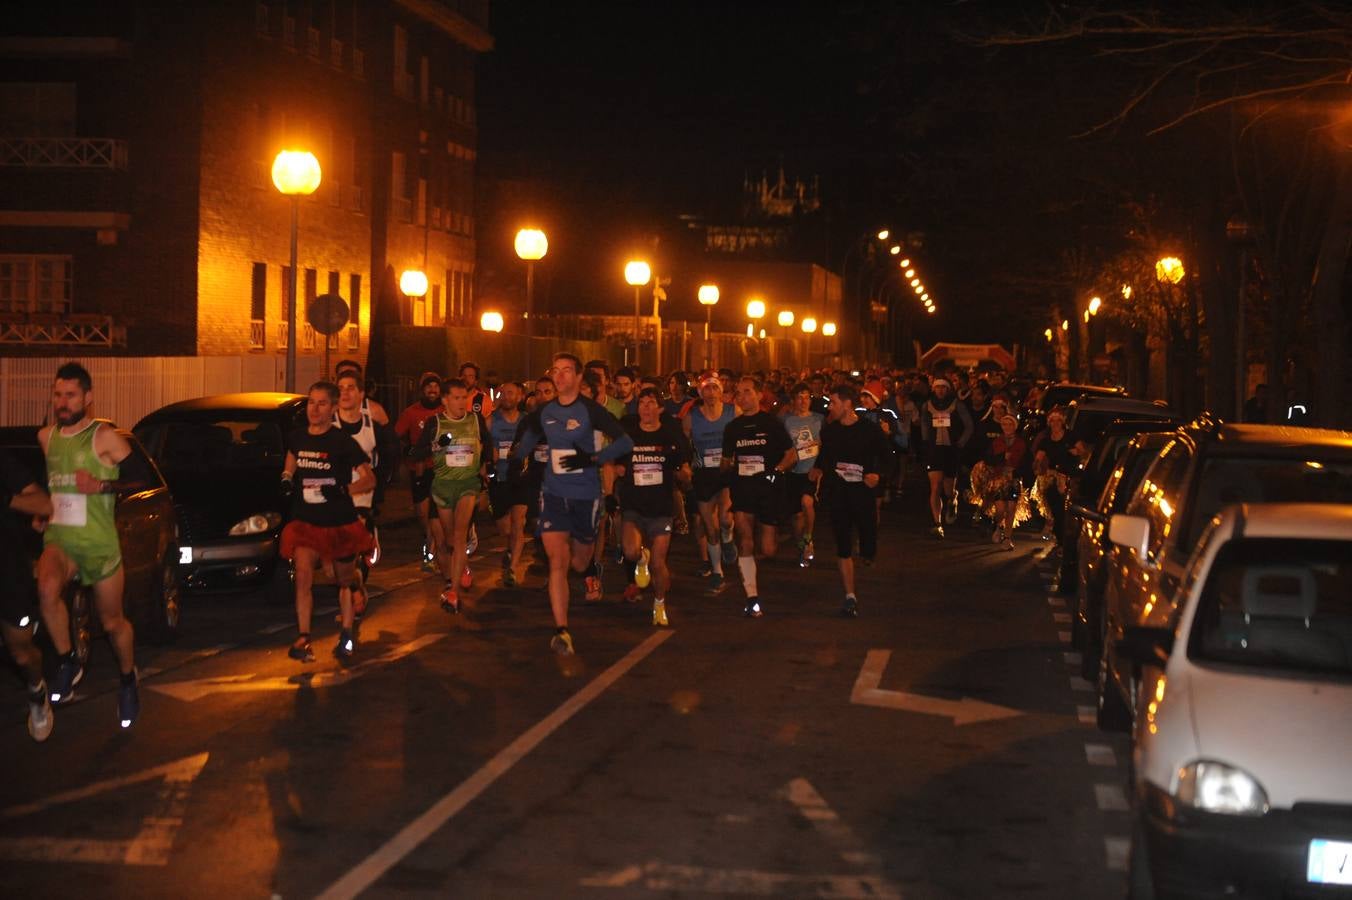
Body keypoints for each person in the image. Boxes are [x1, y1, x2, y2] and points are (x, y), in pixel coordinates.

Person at [38, 362, 151, 727]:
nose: (62, 402)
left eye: (71, 395)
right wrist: (42, 510)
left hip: (99, 545)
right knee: (46, 588)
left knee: (112, 622)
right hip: (61, 540)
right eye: (58, 395)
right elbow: (52, 484)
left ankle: (127, 679)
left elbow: (142, 479)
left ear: (87, 397)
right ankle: (67, 660)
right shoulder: (46, 438)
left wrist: (101, 485)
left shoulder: (104, 437)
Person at [510, 353, 633, 654]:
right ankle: (561, 630)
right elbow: (526, 442)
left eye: (567, 371)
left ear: (578, 377)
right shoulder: (544, 411)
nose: (561, 375)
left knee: (578, 563)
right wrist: (514, 458)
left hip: (585, 496)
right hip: (553, 494)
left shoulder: (591, 410)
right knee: (557, 562)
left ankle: (590, 569)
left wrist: (592, 459)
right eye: (556, 370)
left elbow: (625, 442)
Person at [280, 381, 375, 662]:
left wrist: (344, 490)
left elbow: (370, 479)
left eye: (322, 403)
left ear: (333, 408)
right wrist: (287, 477)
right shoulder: (297, 438)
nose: (315, 409)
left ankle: (347, 628)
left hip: (338, 523)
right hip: (306, 523)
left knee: (341, 580)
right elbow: (292, 457)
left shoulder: (342, 442)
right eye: (311, 402)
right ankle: (304, 638)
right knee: (303, 577)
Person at [412, 378, 492, 613]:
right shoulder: (435, 423)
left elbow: (487, 444)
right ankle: (460, 566)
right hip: (443, 486)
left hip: (468, 484)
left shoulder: (475, 420)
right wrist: (436, 445)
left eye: (464, 397)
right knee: (448, 540)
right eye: (456, 398)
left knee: (459, 536)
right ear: (445, 400)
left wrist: (486, 465)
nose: (461, 402)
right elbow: (416, 453)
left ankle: (453, 591)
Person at [616, 387, 691, 625]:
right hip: (633, 505)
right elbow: (615, 464)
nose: (646, 408)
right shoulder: (628, 436)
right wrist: (616, 472)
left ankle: (659, 603)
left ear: (660, 408)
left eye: (651, 403)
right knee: (630, 551)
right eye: (642, 403)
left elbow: (683, 468)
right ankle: (641, 559)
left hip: (660, 508)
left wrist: (684, 474)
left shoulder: (670, 436)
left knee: (659, 564)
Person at [722, 375, 795, 617]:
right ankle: (751, 596)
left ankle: (756, 557)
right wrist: (722, 467)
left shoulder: (772, 423)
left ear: (759, 395)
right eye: (738, 393)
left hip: (768, 489)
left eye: (747, 392)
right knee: (745, 540)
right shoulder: (733, 428)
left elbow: (791, 455)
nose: (742, 397)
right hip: (743, 489)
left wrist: (777, 471)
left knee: (768, 548)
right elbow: (726, 460)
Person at [812, 384, 888, 617]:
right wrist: (817, 469)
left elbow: (888, 459)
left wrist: (878, 476)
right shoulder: (829, 432)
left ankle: (867, 551)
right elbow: (825, 457)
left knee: (868, 542)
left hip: (863, 493)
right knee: (843, 545)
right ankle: (850, 596)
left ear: (847, 404)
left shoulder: (870, 430)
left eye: (833, 403)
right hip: (838, 494)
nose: (829, 407)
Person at [1, 450, 55, 740]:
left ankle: (37, 690)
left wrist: (7, 500)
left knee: (22, 654)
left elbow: (44, 504)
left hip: (7, 573)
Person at [334, 370, 388, 620]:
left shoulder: (372, 424)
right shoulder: (328, 423)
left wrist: (379, 489)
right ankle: (356, 588)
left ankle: (351, 606)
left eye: (350, 388)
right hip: (333, 498)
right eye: (340, 388)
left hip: (363, 498)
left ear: (361, 393)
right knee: (337, 563)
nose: (345, 393)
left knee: (349, 552)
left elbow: (389, 456)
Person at [682, 372, 738, 591]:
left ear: (721, 391)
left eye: (715, 388)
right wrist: (685, 466)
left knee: (724, 519)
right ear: (700, 392)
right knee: (710, 527)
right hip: (704, 474)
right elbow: (684, 446)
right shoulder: (691, 417)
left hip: (726, 472)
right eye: (707, 388)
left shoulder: (733, 412)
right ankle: (717, 571)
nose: (711, 393)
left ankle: (728, 536)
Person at [395, 373, 445, 570]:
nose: (432, 390)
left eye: (436, 386)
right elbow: (396, 435)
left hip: (441, 469)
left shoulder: (445, 410)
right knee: (423, 513)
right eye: (428, 386)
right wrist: (407, 450)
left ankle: (431, 552)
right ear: (422, 390)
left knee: (437, 513)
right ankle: (430, 538)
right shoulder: (411, 412)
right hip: (419, 469)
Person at [920, 377, 972, 538]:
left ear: (948, 389)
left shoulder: (957, 405)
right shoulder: (927, 405)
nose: (940, 390)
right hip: (934, 450)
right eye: (938, 387)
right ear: (933, 389)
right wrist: (926, 443)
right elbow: (924, 424)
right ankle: (937, 523)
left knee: (948, 489)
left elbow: (969, 426)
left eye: (943, 387)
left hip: (951, 450)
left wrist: (961, 442)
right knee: (935, 486)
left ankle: (952, 499)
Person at [488, 381, 529, 587]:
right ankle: (510, 549)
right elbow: (483, 445)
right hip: (499, 478)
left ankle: (512, 568)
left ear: (520, 396)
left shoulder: (526, 420)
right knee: (505, 528)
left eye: (510, 393)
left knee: (518, 523)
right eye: (502, 393)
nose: (506, 397)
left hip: (520, 478)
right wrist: (490, 456)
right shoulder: (491, 421)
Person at [782, 383, 823, 567]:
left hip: (810, 471)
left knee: (807, 502)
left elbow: (827, 444)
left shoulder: (819, 419)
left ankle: (808, 539)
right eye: (800, 397)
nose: (804, 401)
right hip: (793, 472)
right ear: (793, 400)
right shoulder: (786, 420)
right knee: (797, 516)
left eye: (807, 397)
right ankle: (801, 545)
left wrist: (820, 465)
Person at [986, 413, 1028, 550]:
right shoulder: (996, 442)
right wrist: (1002, 457)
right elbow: (989, 460)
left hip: (1014, 480)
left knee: (1011, 508)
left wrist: (1014, 473)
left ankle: (1007, 538)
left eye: (1010, 424)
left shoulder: (1021, 443)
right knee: (1000, 509)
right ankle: (997, 526)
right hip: (999, 479)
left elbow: (1026, 462)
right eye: (1004, 424)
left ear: (1015, 426)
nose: (1007, 427)